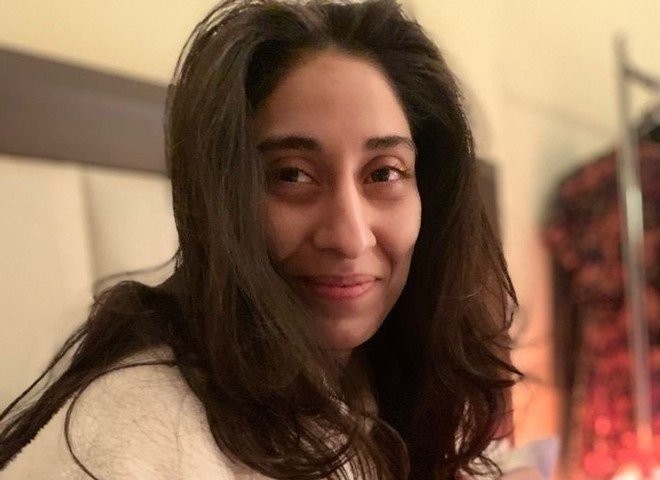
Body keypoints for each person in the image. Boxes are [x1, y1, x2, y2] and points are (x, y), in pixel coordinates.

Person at [0, 0, 549, 478]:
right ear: (222, 200)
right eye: (292, 175)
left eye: (383, 173)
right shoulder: (135, 438)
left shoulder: (394, 376)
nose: (350, 237)